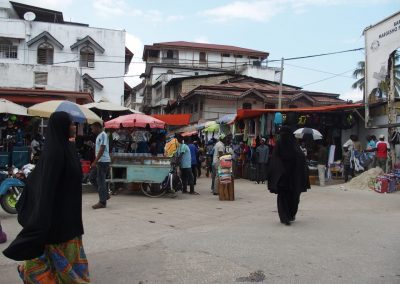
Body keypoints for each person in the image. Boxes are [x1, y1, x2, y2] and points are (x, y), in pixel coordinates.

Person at [3, 112, 90, 283]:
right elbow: (45, 186)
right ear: (61, 127)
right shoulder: (54, 153)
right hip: (57, 220)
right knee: (49, 263)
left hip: (71, 215)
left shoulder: (69, 148)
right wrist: (40, 218)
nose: (74, 127)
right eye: (71, 124)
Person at [267, 126, 310, 226]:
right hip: (289, 178)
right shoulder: (294, 145)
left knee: (288, 198)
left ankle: (287, 216)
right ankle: (287, 216)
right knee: (289, 197)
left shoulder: (284, 145)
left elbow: (274, 161)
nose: (283, 137)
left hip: (288, 177)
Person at [90, 122, 111, 209]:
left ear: (98, 127)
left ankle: (102, 202)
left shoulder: (103, 135)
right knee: (92, 178)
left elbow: (102, 148)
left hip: (102, 161)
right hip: (100, 161)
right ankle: (105, 194)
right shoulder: (99, 136)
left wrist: (95, 161)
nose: (92, 130)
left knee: (100, 181)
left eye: (93, 128)